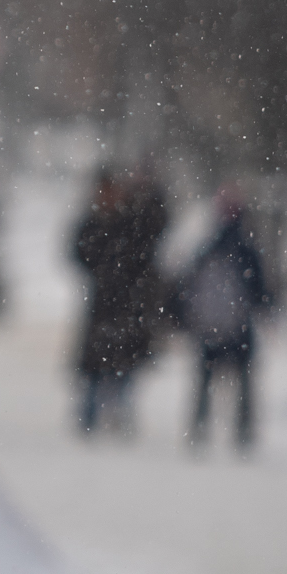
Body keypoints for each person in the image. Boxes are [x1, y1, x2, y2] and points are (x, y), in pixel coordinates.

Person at [69, 167, 170, 438]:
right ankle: (88, 418)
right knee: (94, 365)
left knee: (124, 363)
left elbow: (155, 237)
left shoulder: (133, 221)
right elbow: (78, 252)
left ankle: (119, 415)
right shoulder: (93, 222)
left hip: (127, 304)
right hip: (103, 303)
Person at [175, 186, 274, 453]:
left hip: (210, 325)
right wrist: (268, 309)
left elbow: (189, 284)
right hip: (239, 325)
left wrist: (184, 318)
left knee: (206, 378)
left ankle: (199, 426)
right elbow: (260, 287)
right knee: (243, 380)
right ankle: (243, 431)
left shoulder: (209, 245)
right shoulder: (246, 247)